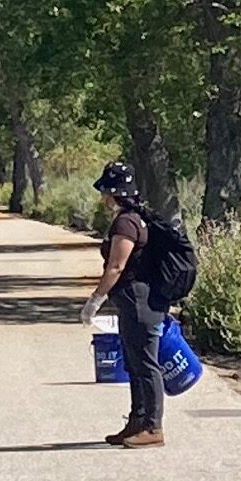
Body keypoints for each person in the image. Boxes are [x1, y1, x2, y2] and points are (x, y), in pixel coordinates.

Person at [80, 160, 166, 448]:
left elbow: (116, 267)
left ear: (114, 192)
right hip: (137, 301)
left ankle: (153, 427)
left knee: (145, 365)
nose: (103, 197)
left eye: (105, 191)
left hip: (139, 302)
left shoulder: (126, 222)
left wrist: (94, 300)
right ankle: (137, 422)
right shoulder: (134, 218)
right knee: (134, 363)